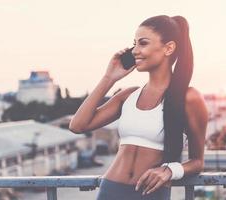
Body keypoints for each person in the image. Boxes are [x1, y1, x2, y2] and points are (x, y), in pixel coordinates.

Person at [69, 15, 208, 200]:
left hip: (150, 194)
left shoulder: (189, 98)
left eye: (143, 43)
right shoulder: (128, 95)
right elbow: (77, 125)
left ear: (169, 48)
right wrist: (109, 78)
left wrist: (169, 170)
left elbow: (197, 162)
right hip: (110, 190)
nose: (135, 50)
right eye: (134, 44)